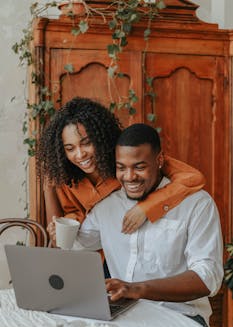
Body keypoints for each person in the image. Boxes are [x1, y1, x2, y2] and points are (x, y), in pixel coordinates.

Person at [76, 123, 223, 327]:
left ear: (160, 160)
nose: (129, 177)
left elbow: (208, 277)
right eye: (121, 168)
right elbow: (76, 245)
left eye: (139, 167)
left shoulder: (197, 204)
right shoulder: (106, 207)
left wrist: (137, 289)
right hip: (123, 318)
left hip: (181, 317)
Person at [37, 96, 205, 240]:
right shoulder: (67, 175)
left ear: (100, 137)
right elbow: (68, 221)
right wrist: (49, 189)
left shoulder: (127, 161)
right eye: (70, 148)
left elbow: (192, 177)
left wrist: (147, 207)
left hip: (128, 250)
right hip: (89, 256)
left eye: (86, 143)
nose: (80, 155)